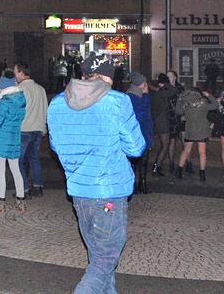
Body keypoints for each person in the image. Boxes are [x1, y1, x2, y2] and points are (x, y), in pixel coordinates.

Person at [47, 52, 145, 294]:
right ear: (109, 78)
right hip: (109, 190)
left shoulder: (58, 102)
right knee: (104, 262)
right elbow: (136, 147)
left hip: (79, 191)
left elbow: (56, 146)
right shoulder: (117, 102)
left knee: (98, 259)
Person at [0, 69, 26, 213]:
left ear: (2, 87)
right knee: (16, 170)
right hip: (15, 137)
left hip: (2, 139)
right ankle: (20, 201)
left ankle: (1, 202)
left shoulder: (4, 102)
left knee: (0, 171)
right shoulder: (21, 99)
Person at [15, 63, 48, 197]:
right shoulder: (41, 89)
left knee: (19, 160)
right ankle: (38, 186)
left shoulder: (20, 89)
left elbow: (17, 111)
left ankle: (23, 189)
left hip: (24, 129)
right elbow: (45, 109)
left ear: (22, 73)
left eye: (16, 72)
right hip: (38, 128)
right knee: (34, 158)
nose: (14, 75)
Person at [174, 85, 218, 181]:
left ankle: (179, 170)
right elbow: (215, 105)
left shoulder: (186, 103)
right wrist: (209, 95)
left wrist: (179, 99)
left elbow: (178, 111)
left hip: (190, 130)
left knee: (186, 151)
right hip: (202, 131)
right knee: (202, 153)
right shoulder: (203, 103)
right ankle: (202, 174)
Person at [126, 72, 153, 194]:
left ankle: (143, 184)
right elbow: (143, 112)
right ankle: (133, 185)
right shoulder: (131, 97)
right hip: (136, 133)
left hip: (145, 132)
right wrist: (146, 95)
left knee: (144, 160)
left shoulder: (139, 95)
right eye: (144, 82)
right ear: (140, 84)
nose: (146, 84)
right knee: (134, 160)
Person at [150, 73, 175, 176]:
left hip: (156, 120)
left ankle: (156, 166)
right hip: (162, 122)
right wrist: (166, 84)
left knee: (162, 145)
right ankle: (156, 167)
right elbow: (174, 90)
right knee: (165, 145)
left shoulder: (153, 92)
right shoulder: (161, 92)